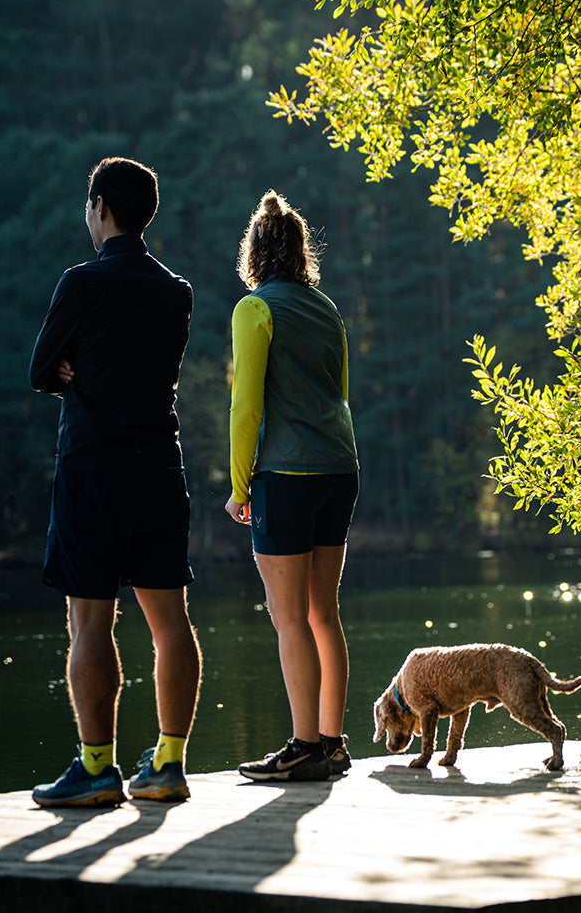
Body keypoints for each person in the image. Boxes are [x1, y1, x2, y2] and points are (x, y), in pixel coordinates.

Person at [29, 157, 201, 807]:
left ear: (100, 206)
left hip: (92, 467)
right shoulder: (176, 290)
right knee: (171, 621)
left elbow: (42, 369)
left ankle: (97, 769)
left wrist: (79, 369)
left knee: (89, 619)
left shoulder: (80, 282)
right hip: (159, 465)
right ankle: (169, 764)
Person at [225, 191, 359, 782]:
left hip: (286, 474)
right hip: (340, 468)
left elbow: (245, 406)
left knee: (289, 620)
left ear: (254, 252)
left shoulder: (255, 310)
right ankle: (332, 743)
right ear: (302, 251)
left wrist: (236, 487)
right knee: (323, 614)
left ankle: (305, 746)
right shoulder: (326, 309)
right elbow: (341, 392)